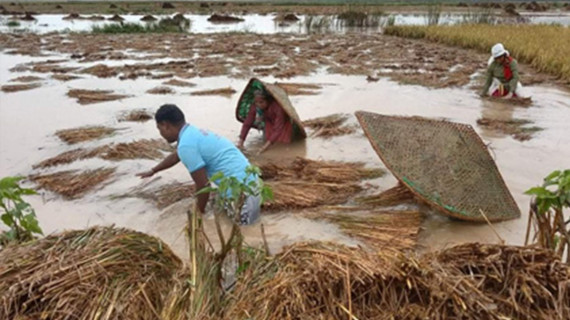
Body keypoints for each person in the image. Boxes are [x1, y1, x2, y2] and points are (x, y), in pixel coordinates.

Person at [137, 104, 261, 225]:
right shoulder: (192, 133)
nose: (161, 134)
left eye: (159, 129)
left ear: (166, 125)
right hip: (252, 184)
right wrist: (154, 170)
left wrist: (199, 215)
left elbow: (203, 185)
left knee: (244, 234)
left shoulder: (186, 144)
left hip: (243, 196)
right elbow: (176, 156)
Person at [237, 89, 294, 154]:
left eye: (261, 102)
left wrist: (264, 148)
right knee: (268, 139)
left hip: (283, 125)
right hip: (269, 123)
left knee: (282, 145)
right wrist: (241, 142)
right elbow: (247, 123)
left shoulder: (277, 107)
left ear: (268, 100)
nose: (258, 105)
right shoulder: (255, 106)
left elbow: (278, 129)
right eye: (256, 102)